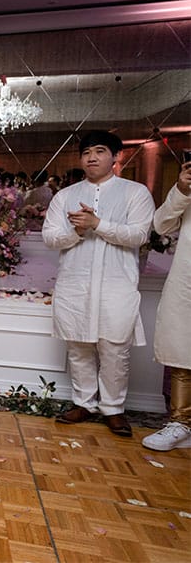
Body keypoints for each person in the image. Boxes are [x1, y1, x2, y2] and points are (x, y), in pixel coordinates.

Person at [42, 130, 155, 437]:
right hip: (74, 283)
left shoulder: (135, 192)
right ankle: (83, 403)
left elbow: (139, 235)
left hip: (117, 284)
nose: (92, 157)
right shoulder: (65, 195)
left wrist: (98, 225)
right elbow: (50, 238)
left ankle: (113, 409)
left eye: (100, 151)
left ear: (116, 157)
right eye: (87, 152)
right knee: (78, 346)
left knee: (115, 348)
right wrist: (76, 232)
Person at [143, 158, 191, 451]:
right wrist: (181, 190)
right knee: (182, 349)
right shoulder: (186, 189)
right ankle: (181, 424)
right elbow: (161, 224)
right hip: (188, 277)